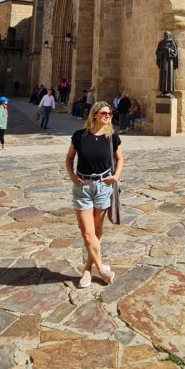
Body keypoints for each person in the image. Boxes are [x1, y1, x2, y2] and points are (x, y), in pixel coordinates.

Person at [65, 101, 122, 288]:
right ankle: (102, 269)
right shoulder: (80, 136)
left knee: (97, 231)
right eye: (104, 113)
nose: (107, 116)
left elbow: (120, 158)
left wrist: (115, 176)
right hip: (83, 187)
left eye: (110, 114)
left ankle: (88, 269)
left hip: (103, 186)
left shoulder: (112, 136)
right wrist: (72, 176)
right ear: (94, 114)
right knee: (88, 233)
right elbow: (69, 158)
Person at [156, 31, 179, 96]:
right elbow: (157, 51)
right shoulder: (161, 43)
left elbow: (175, 53)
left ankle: (168, 91)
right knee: (162, 75)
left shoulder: (172, 43)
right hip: (163, 62)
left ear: (169, 35)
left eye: (167, 35)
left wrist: (168, 50)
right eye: (165, 35)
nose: (165, 36)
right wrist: (161, 52)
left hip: (169, 63)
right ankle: (163, 91)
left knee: (169, 75)